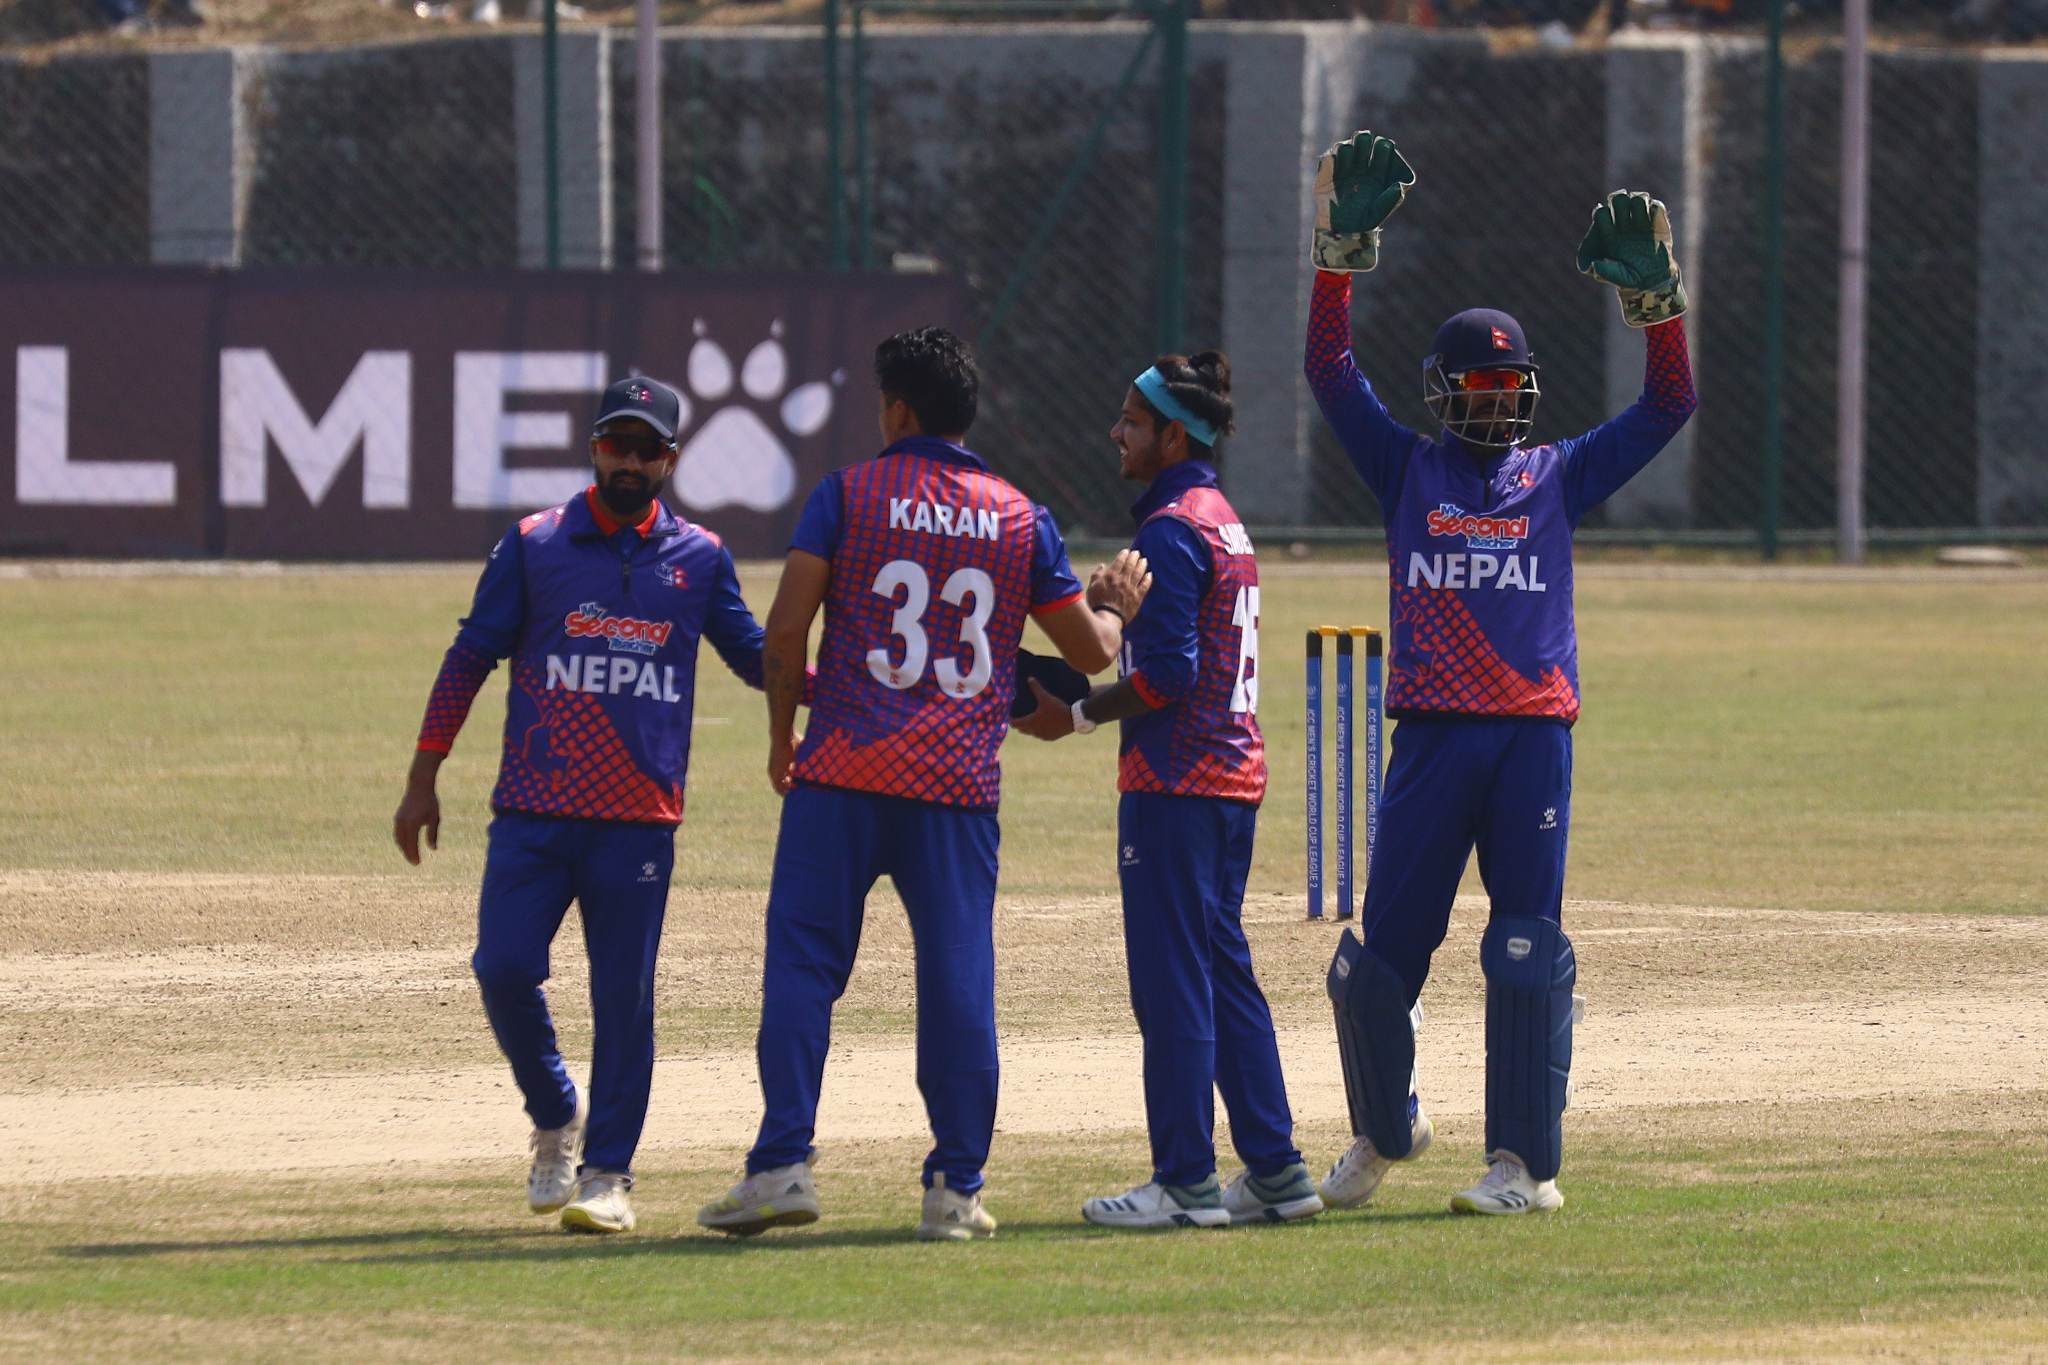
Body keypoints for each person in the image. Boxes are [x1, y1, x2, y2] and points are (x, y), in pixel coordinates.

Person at [1304, 132, 1696, 1215]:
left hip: (1530, 741)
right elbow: (1329, 372)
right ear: (1440, 390)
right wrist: (1337, 260)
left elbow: (1668, 406)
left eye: (1507, 384)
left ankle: (1525, 1167)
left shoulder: (1557, 474)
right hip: (1430, 738)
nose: (1492, 401)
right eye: (1474, 384)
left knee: (1525, 951)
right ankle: (1383, 1131)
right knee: (1379, 964)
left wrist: (1658, 309)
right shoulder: (1404, 467)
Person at [696, 326, 1152, 1242]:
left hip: (844, 769)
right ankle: (954, 1187)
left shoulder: (845, 494)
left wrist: (782, 735)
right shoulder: (1019, 516)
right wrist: (1113, 602)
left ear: (898, 410)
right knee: (958, 977)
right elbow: (1090, 652)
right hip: (955, 784)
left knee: (804, 965)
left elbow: (784, 631)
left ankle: (781, 1164)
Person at [392, 376, 765, 1235]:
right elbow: (470, 656)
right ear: (593, 447)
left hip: (638, 819)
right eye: (614, 445)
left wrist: (862, 687)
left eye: (646, 449)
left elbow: (756, 660)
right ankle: (557, 1112)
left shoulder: (701, 557)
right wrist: (423, 775)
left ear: (670, 459)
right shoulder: (535, 544)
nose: (628, 461)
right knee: (502, 967)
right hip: (535, 808)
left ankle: (608, 1175)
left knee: (623, 999)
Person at [1013, 352, 1320, 1230]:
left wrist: (1076, 715)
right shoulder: (1222, 519)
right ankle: (1276, 1169)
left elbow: (1170, 675)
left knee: (1172, 983)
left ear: (1173, 436)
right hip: (1228, 778)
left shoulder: (1170, 530)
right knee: (1221, 974)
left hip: (1178, 782)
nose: (1117, 432)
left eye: (1133, 421)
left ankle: (1184, 1180)